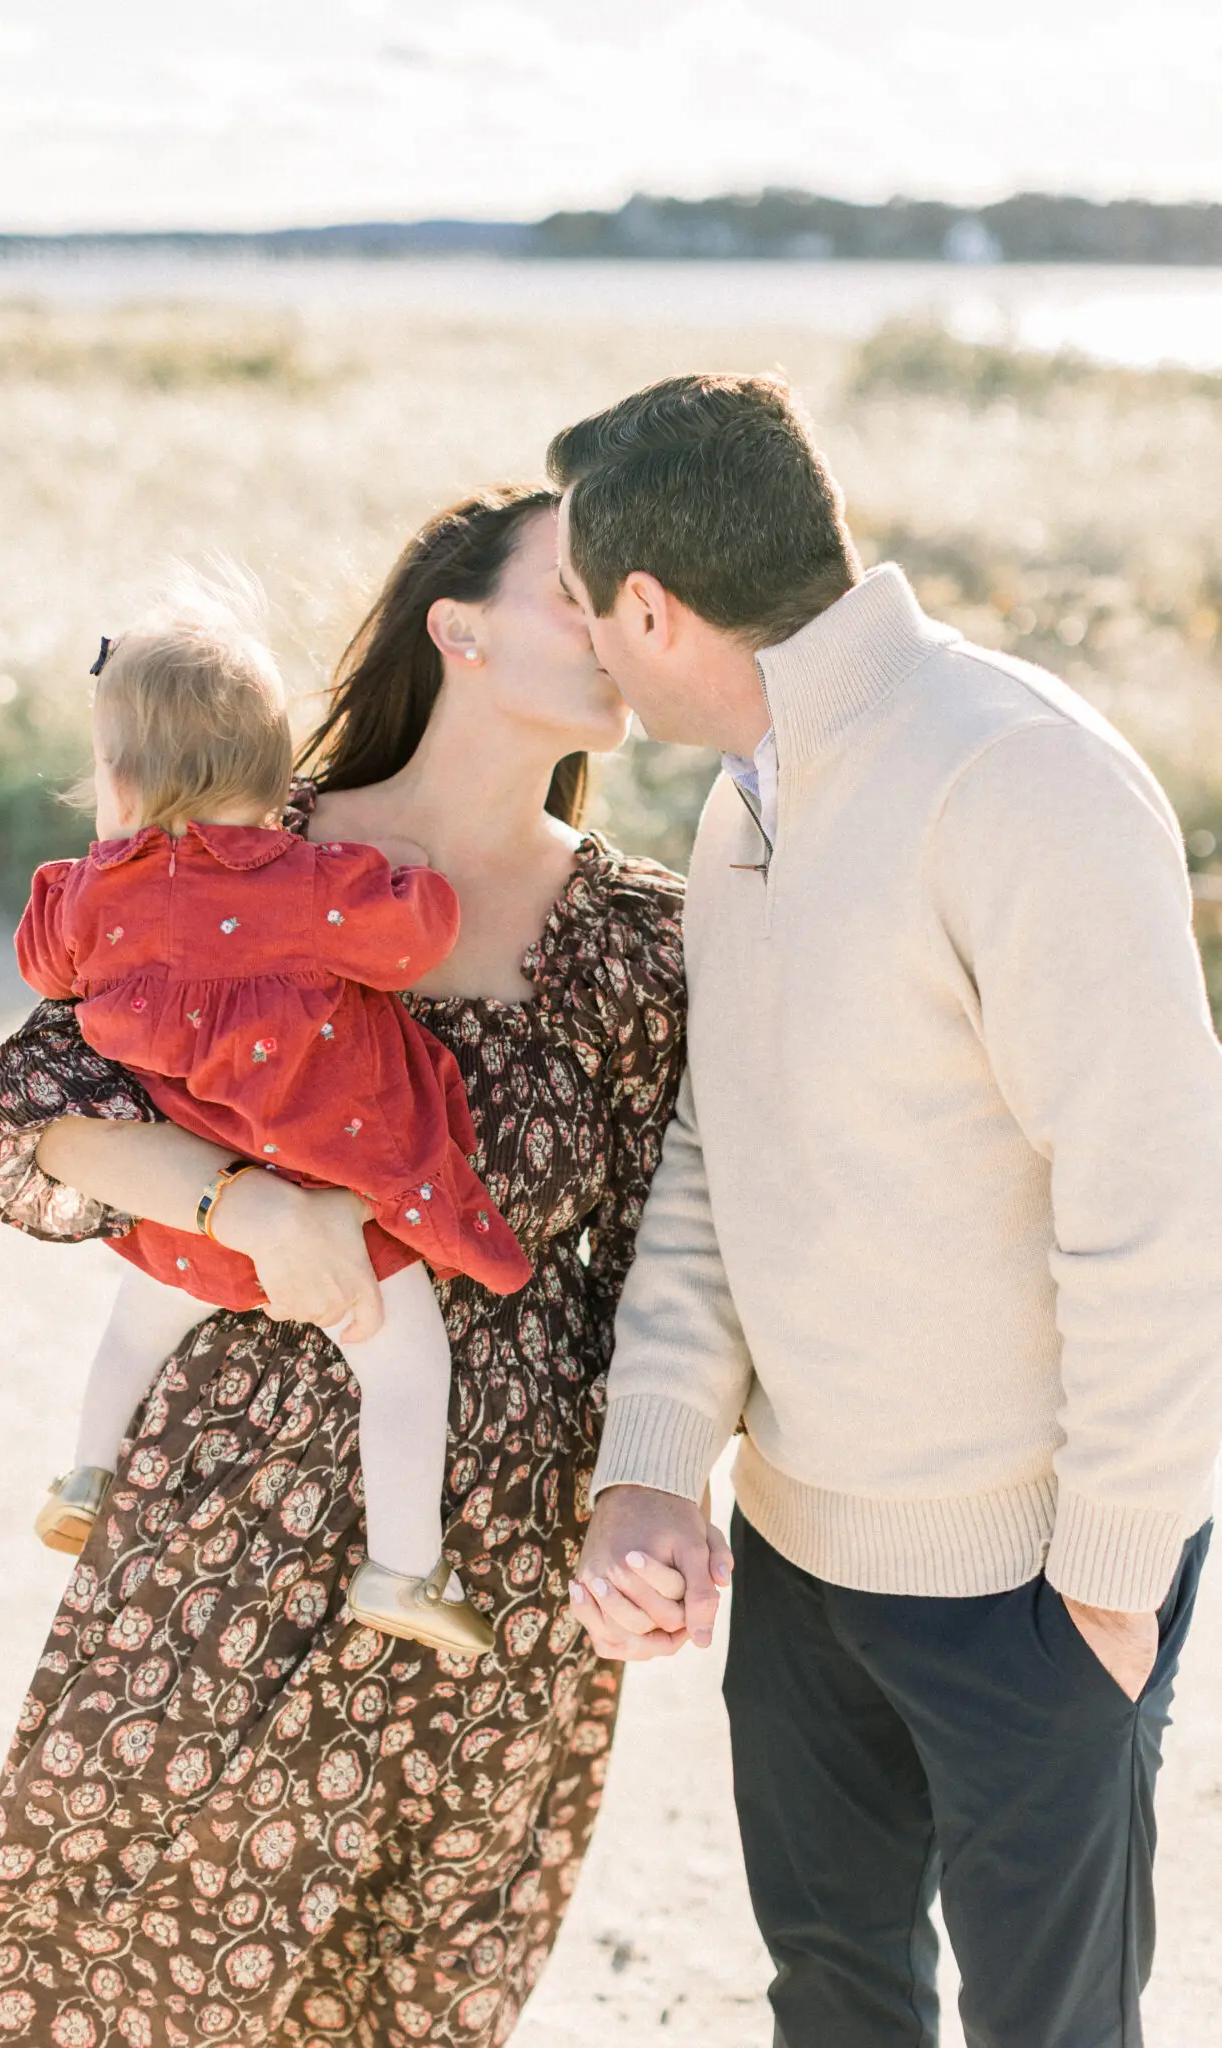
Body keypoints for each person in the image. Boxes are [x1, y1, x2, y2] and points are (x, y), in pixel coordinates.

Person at [0, 485, 687, 2048]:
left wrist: (655, 1491)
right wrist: (250, 1208)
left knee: (402, 1981)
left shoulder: (651, 941)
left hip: (481, 1570)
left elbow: (674, 1262)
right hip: (226, 1510)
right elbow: (52, 1098)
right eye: (578, 590)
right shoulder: (243, 836)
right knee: (93, 1927)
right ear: (458, 631)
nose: (626, 620)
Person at [556, 374, 1222, 2047]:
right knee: (836, 2002)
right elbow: (720, 1149)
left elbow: (1159, 1196)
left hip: (1034, 1589)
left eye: (587, 604)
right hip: (799, 1556)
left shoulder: (1022, 778)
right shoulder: (738, 804)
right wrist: (656, 1457)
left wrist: (1114, 1583)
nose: (587, 643)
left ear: (656, 605)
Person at [17, 583, 533, 1657]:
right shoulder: (311, 888)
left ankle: (86, 1468)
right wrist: (421, 880)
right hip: (333, 1196)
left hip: (196, 1212)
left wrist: (85, 884)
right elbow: (413, 941)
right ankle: (402, 1564)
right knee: (405, 1369)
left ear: (117, 782)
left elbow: (44, 964)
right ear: (276, 772)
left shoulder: (93, 899)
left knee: (131, 1327)